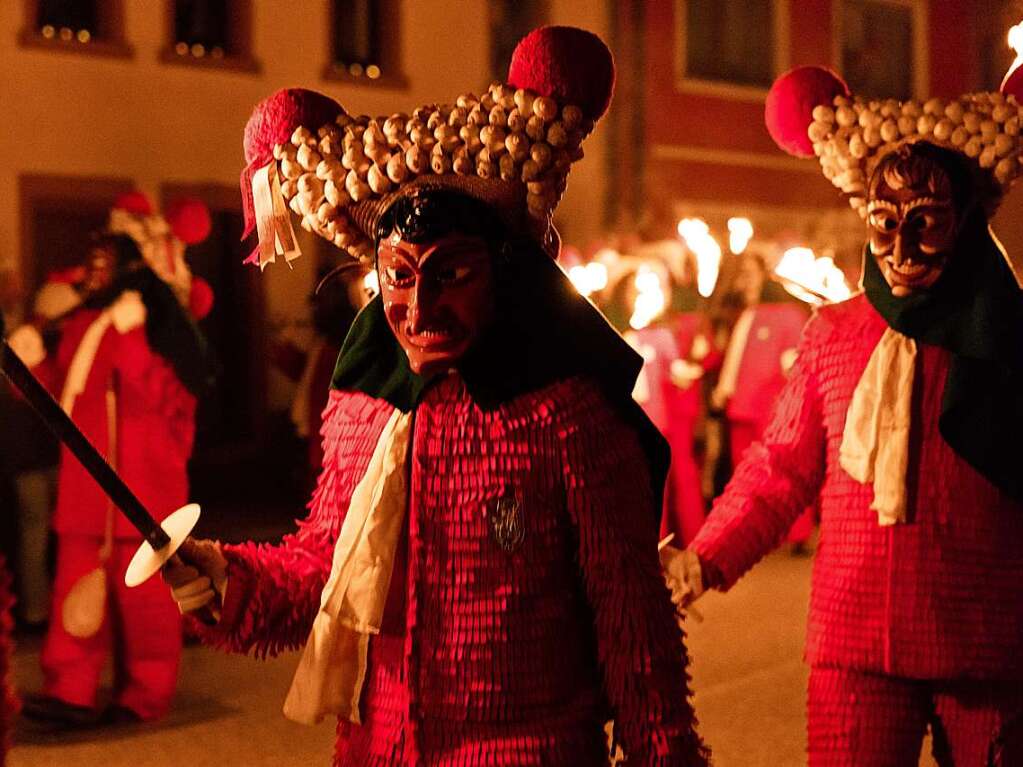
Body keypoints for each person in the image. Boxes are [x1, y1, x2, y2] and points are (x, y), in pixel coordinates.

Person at [165, 26, 708, 766]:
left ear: (506, 274)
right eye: (398, 275)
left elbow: (630, 621)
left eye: (451, 272)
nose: (419, 309)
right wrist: (224, 580)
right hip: (376, 746)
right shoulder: (364, 407)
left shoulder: (569, 416)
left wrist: (664, 751)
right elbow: (325, 565)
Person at [663, 65, 1023, 765]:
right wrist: (706, 554)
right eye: (884, 224)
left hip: (985, 633)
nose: (899, 248)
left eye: (925, 224)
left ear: (966, 221)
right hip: (854, 635)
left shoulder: (1006, 334)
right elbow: (779, 466)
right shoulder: (834, 333)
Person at [13, 193, 216, 728]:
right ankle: (71, 692)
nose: (93, 273)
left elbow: (163, 397)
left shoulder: (167, 335)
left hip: (145, 492)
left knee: (147, 613)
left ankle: (144, 696)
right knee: (75, 602)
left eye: (106, 263)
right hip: (86, 494)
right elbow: (66, 401)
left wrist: (132, 338)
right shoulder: (85, 324)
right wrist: (33, 367)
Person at [710, 252, 814, 551]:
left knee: (782, 471)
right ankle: (747, 529)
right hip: (742, 406)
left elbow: (793, 360)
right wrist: (725, 389)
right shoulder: (747, 314)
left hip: (772, 408)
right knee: (746, 472)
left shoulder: (786, 314)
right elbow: (735, 357)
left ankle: (796, 532)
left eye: (750, 273)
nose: (745, 280)